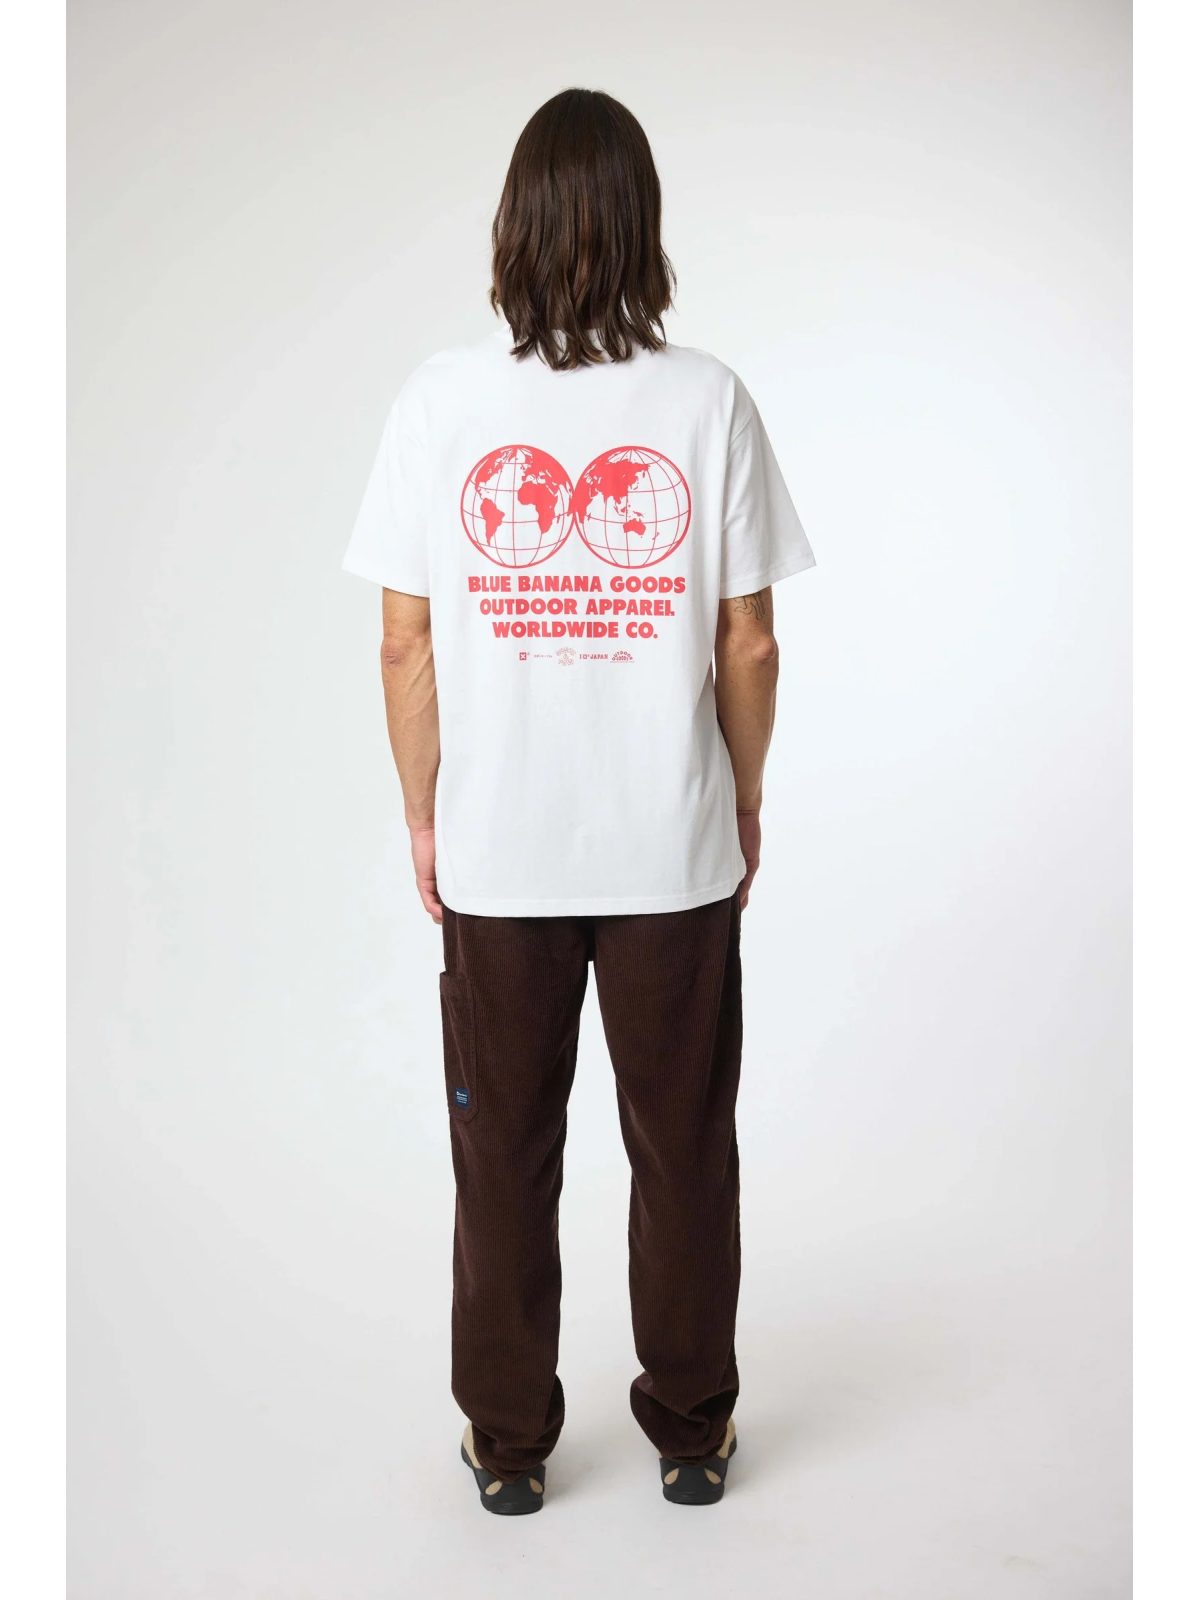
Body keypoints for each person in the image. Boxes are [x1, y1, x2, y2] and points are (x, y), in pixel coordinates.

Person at [343, 87, 814, 1515]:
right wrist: (741, 795)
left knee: (502, 1157)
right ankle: (690, 1429)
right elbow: (749, 641)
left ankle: (507, 1447)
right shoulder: (707, 399)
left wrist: (425, 817)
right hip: (672, 850)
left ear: (516, 226)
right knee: (684, 1152)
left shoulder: (440, 403)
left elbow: (405, 641)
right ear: (641, 226)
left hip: (501, 856)